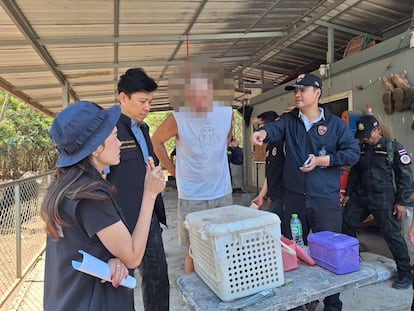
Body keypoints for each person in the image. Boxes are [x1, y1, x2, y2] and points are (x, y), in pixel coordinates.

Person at [41, 101, 166, 311]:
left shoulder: (65, 185)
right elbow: (134, 256)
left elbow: (83, 247)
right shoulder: (90, 196)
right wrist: (150, 193)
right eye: (115, 137)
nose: (120, 144)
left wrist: (112, 260)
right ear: (97, 148)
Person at [251, 73, 360, 311]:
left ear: (317, 93)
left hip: (325, 201)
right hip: (295, 202)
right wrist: (263, 134)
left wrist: (323, 160)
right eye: (295, 90)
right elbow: (275, 129)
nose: (298, 94)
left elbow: (352, 153)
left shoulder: (335, 125)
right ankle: (303, 300)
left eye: (303, 89)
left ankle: (332, 304)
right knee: (295, 251)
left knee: (331, 253)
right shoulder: (290, 121)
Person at [151, 56, 234, 273]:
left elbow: (227, 138)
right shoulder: (179, 117)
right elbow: (156, 141)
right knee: (194, 250)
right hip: (192, 196)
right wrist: (173, 172)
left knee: (224, 244)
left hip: (222, 192)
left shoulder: (227, 111)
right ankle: (194, 304)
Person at [106, 68, 169, 311]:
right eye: (143, 101)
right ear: (123, 97)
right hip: (121, 222)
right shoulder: (109, 131)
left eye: (150, 102)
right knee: (122, 283)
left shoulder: (143, 129)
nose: (147, 108)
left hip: (149, 216)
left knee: (157, 278)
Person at [342, 114, 414, 290]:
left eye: (368, 135)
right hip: (361, 197)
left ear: (378, 130)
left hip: (384, 199)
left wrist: (402, 202)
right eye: (363, 136)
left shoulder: (393, 147)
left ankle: (405, 273)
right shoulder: (363, 148)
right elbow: (355, 173)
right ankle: (352, 260)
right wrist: (348, 194)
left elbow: (406, 177)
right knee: (347, 224)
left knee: (392, 236)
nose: (365, 138)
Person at [251, 111, 285, 232]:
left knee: (270, 229)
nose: (261, 130)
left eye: (263, 126)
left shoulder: (283, 144)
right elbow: (269, 174)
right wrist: (262, 196)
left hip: (284, 197)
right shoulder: (269, 146)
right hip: (274, 196)